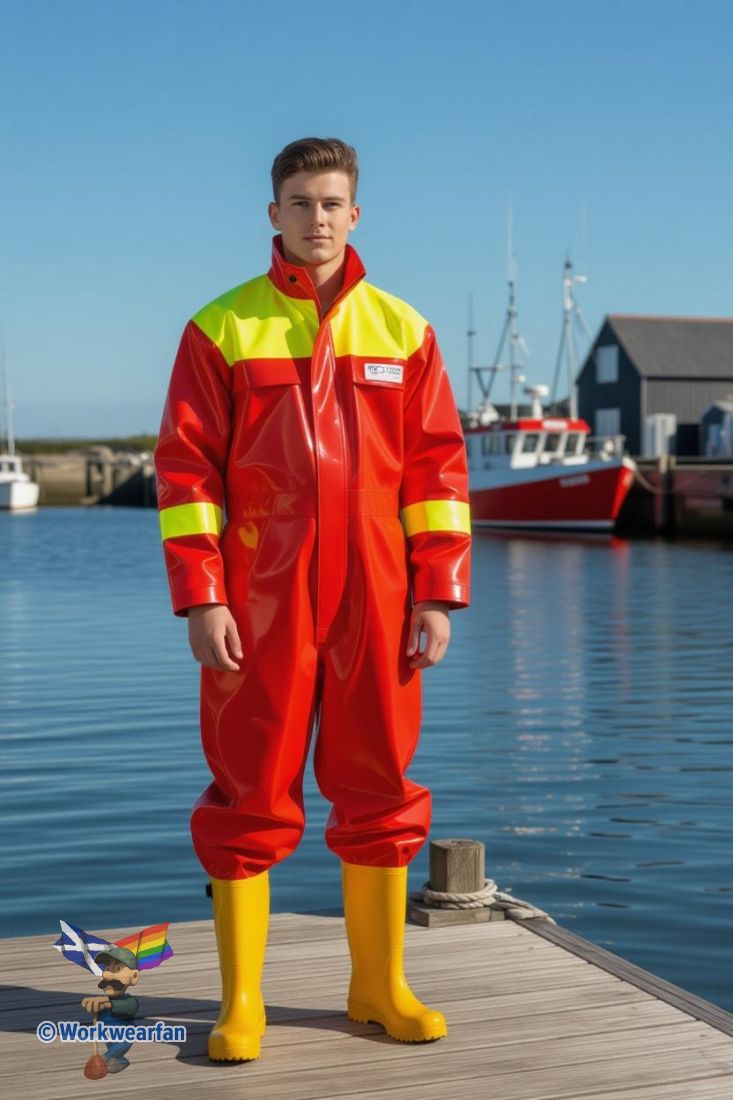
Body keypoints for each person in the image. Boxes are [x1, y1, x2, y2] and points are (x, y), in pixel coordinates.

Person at [153, 136, 471, 1062]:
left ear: (354, 214)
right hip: (259, 598)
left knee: (380, 787)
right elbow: (185, 474)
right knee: (249, 790)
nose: (316, 218)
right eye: (300, 201)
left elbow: (437, 473)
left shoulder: (404, 330)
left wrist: (438, 590)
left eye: (331, 203)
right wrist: (202, 596)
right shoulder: (221, 327)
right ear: (274, 213)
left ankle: (378, 985)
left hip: (380, 593)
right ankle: (242, 1003)